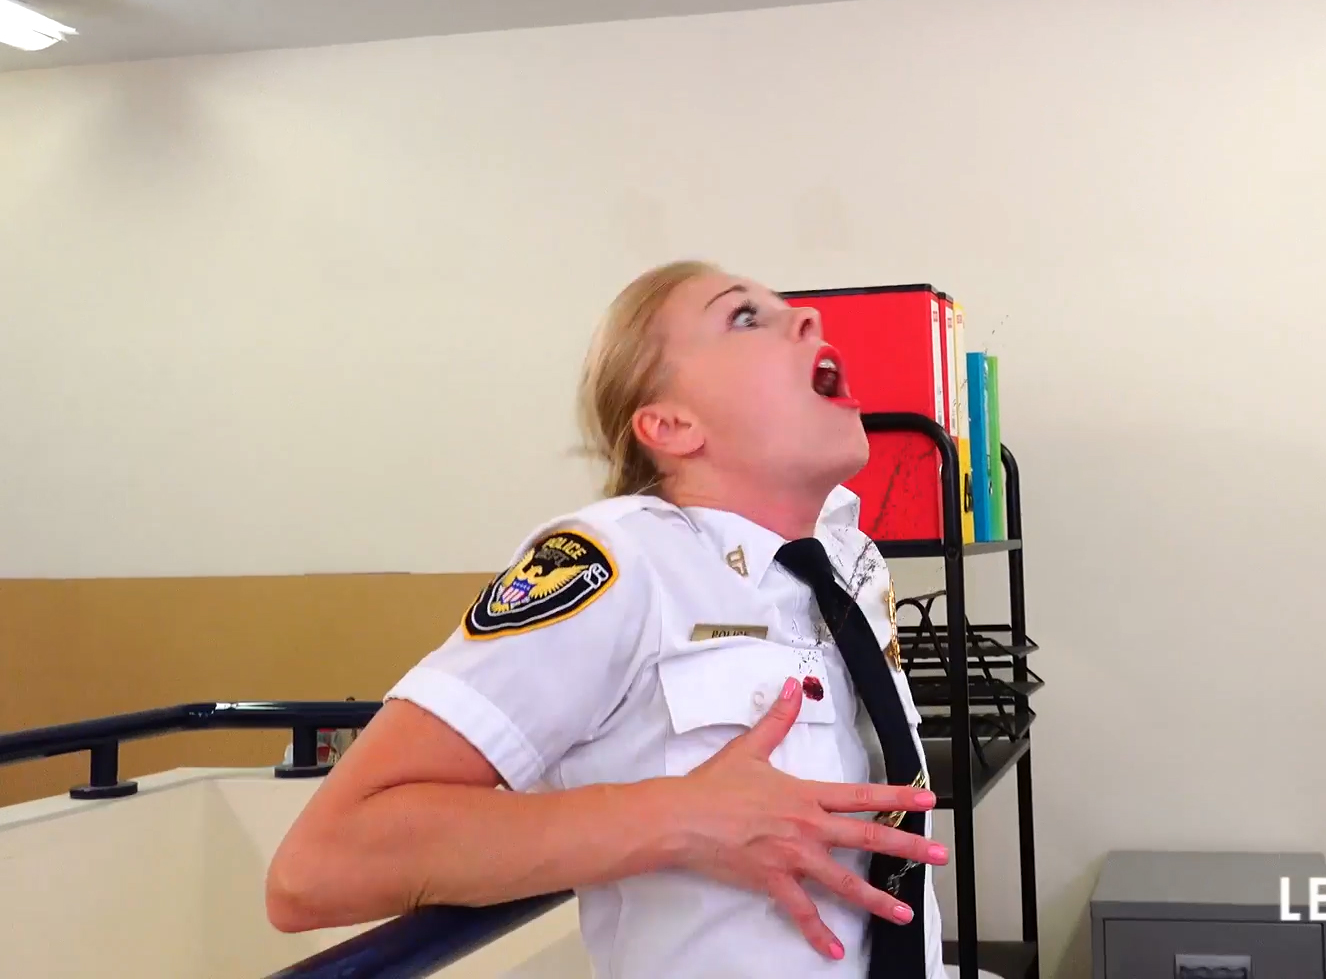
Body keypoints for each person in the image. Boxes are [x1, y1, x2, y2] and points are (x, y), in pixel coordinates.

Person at [266, 260, 949, 978]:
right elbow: (318, 866)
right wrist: (684, 817)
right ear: (671, 425)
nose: (809, 317)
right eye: (744, 316)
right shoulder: (618, 562)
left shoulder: (851, 561)